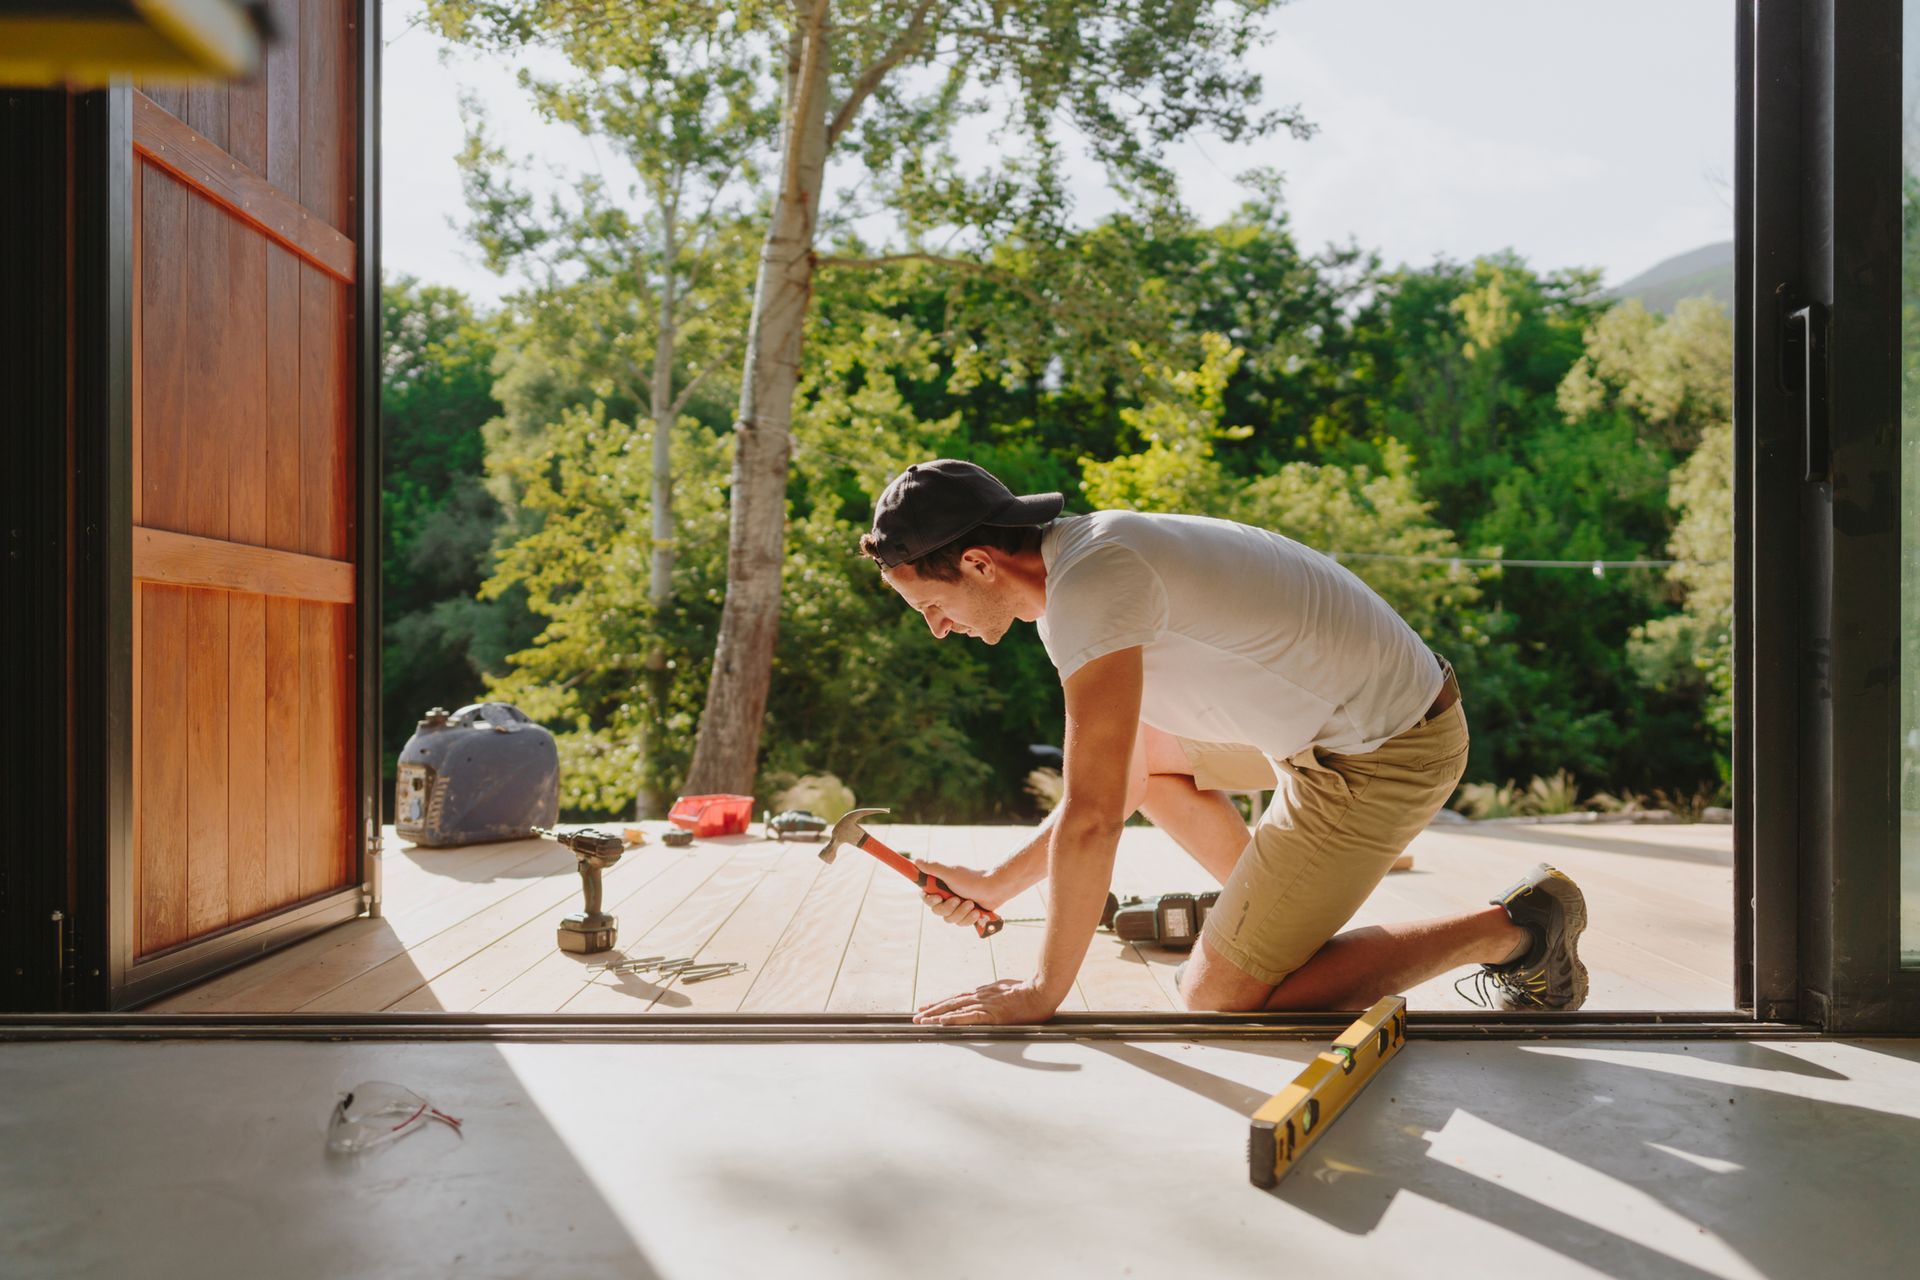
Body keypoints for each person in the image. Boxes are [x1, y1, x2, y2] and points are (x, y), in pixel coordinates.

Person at [858, 458, 1589, 1026]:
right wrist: (993, 885)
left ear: (981, 563)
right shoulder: (1083, 563)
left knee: (1218, 999)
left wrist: (1043, 990)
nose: (937, 626)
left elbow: (1093, 815)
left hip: (1386, 750)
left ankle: (1519, 928)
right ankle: (1269, 919)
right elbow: (1134, 776)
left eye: (932, 604)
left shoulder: (1093, 588)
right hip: (1341, 719)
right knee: (1166, 780)